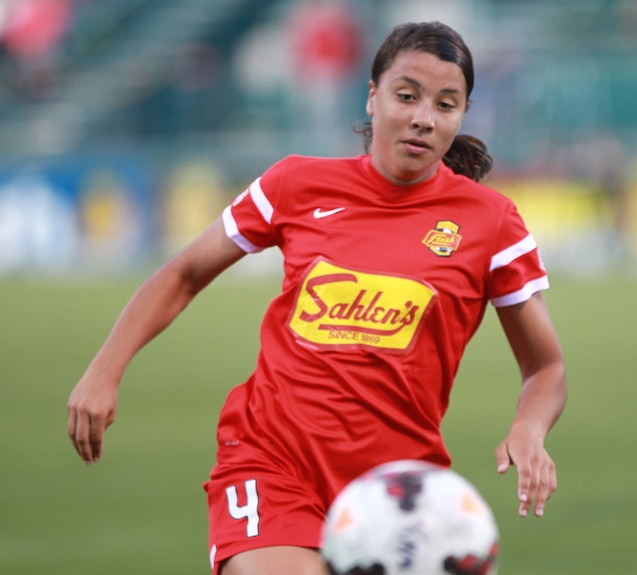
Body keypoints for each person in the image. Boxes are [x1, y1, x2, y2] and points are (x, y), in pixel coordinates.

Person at [67, 21, 567, 575]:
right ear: (372, 96)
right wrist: (103, 372)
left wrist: (529, 428)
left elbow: (545, 366)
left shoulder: (492, 223)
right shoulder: (295, 184)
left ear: (463, 114)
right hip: (271, 463)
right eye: (407, 96)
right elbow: (184, 273)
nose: (424, 117)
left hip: (396, 493)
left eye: (446, 104)